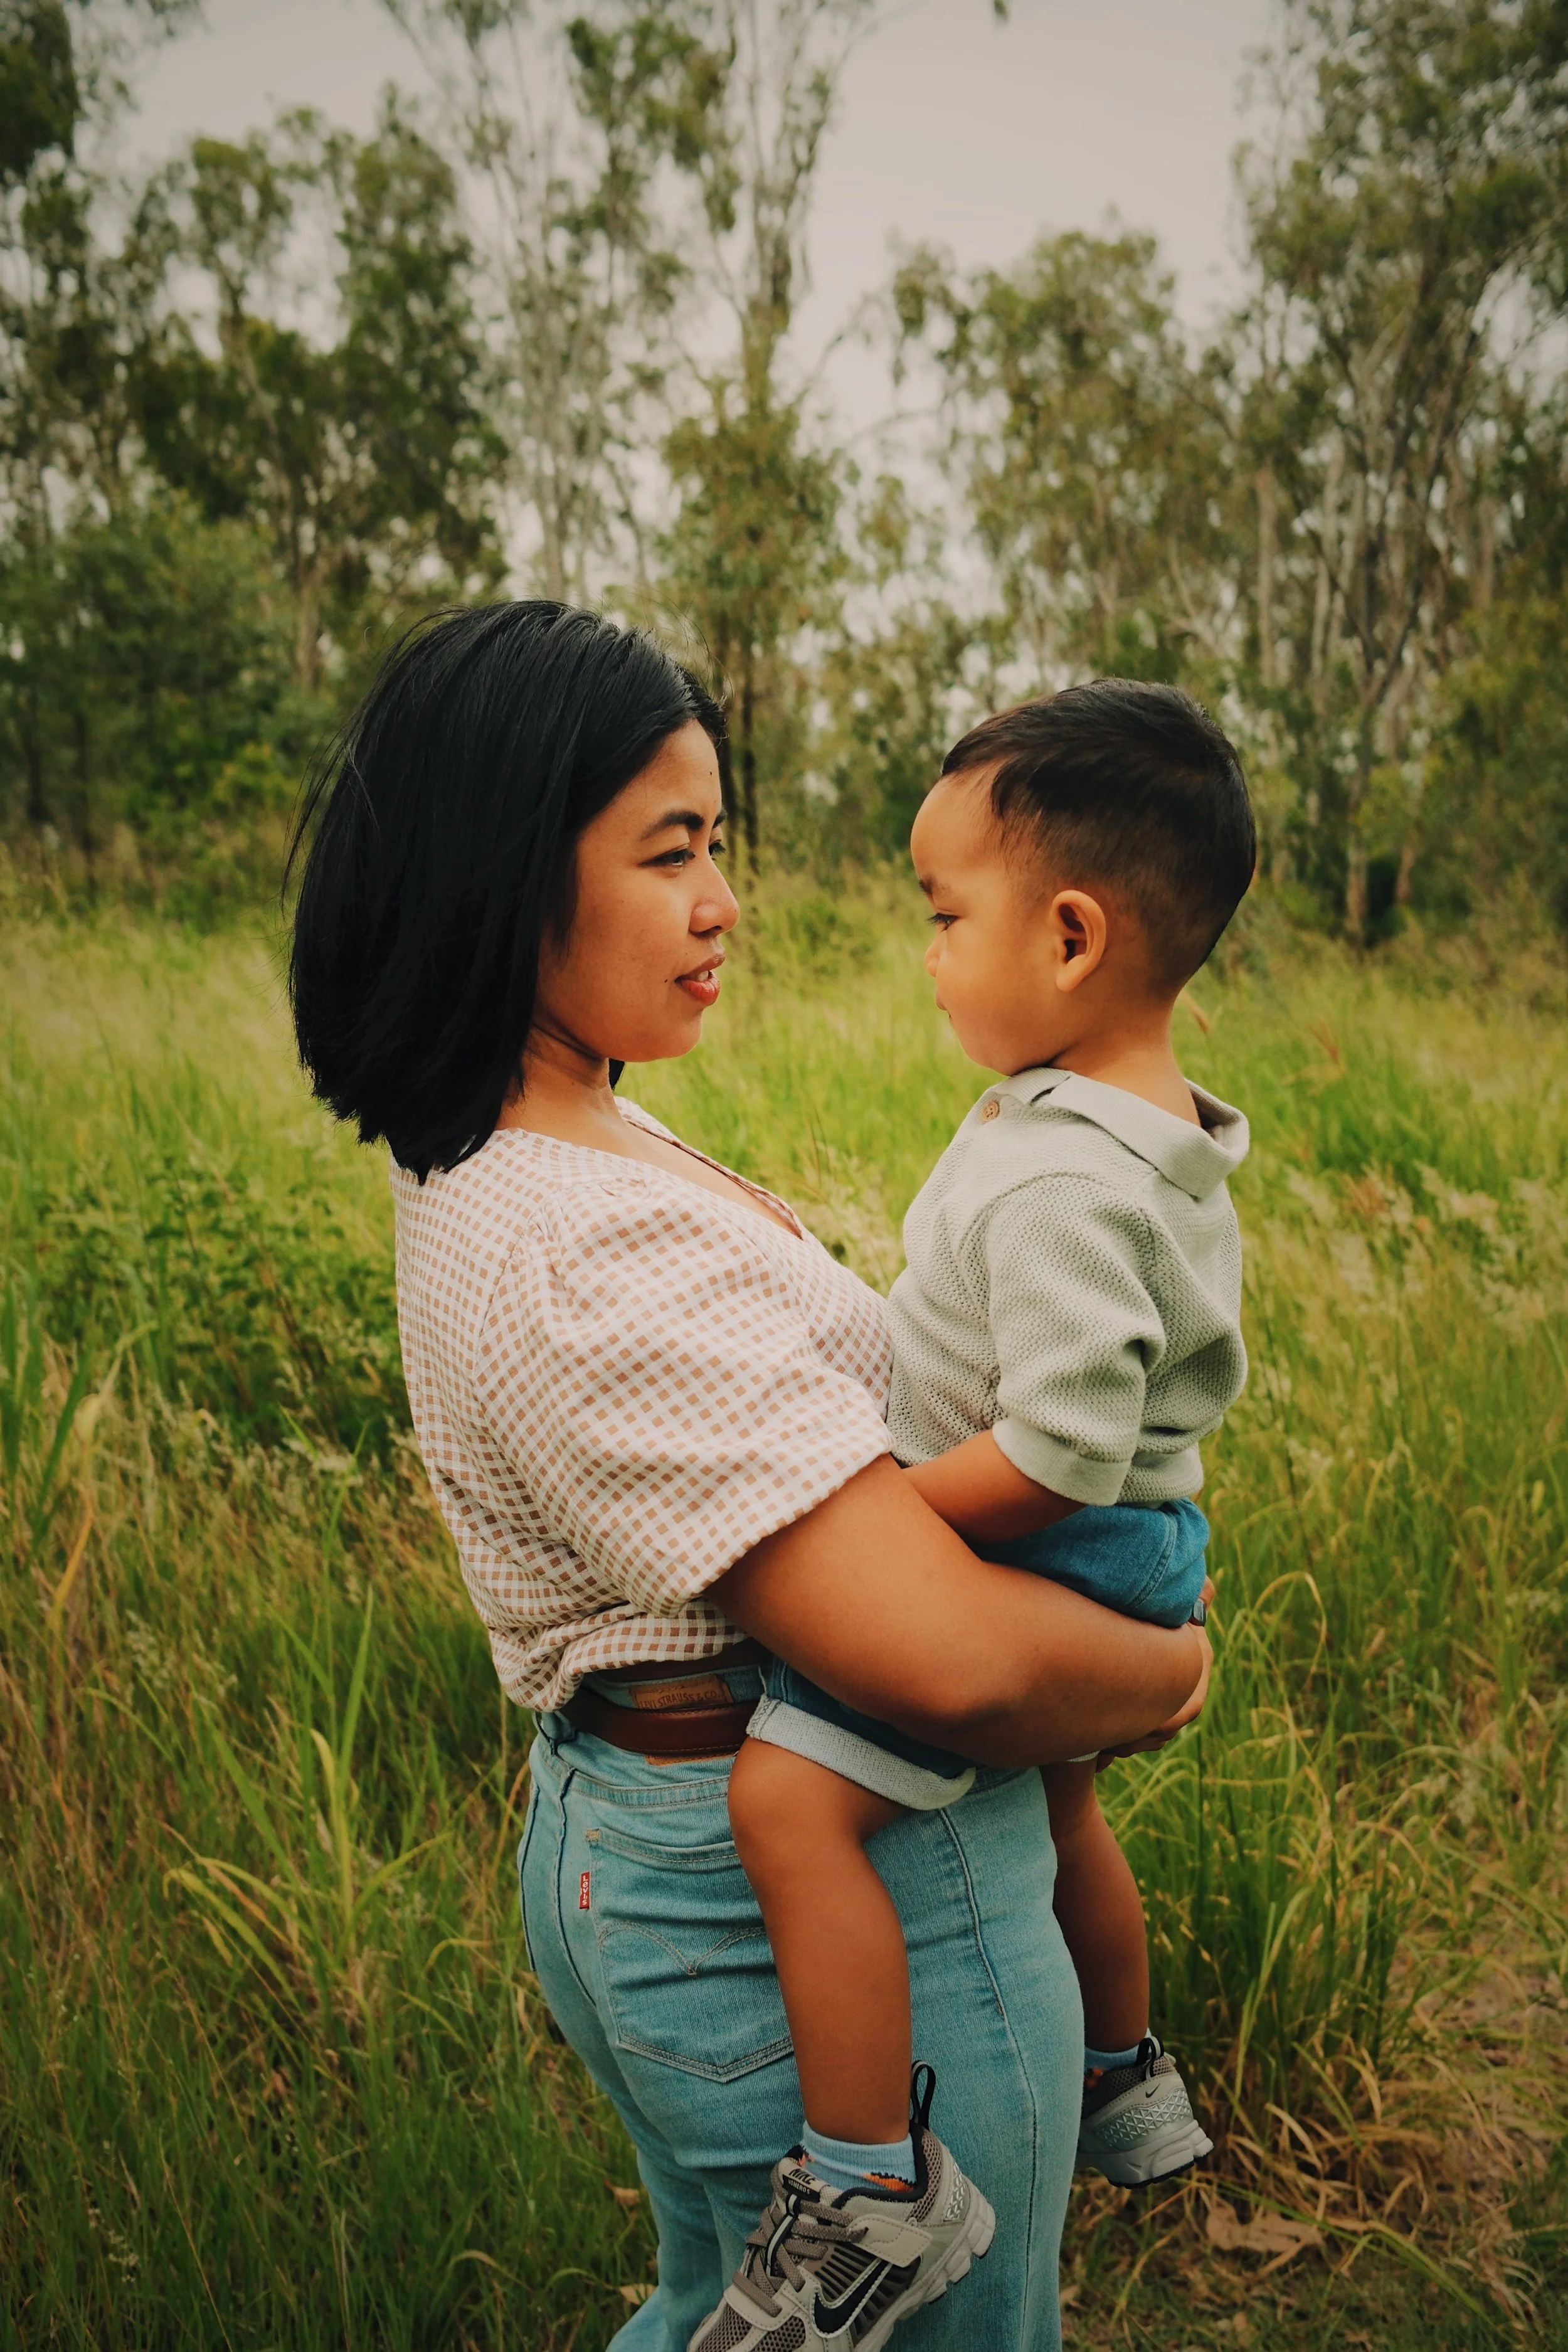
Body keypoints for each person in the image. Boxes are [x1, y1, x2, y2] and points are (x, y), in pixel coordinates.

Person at [288, 601, 1211, 2352]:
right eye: (668, 851)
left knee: (733, 2307)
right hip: (809, 1862)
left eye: (719, 843)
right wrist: (1170, 1667)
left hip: (677, 1833)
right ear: (504, 871)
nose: (723, 901)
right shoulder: (571, 1247)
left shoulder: (562, 1121)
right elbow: (948, 1656)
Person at [718, 681, 1253, 2340]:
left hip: (1057, 1531)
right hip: (1136, 1543)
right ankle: (1122, 2076)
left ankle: (870, 2179)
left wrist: (875, 1495)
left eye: (945, 914)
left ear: (1073, 936)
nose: (930, 950)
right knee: (1067, 1814)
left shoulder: (1059, 1177)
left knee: (788, 1802)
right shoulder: (1129, 1131)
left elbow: (1057, 1446)